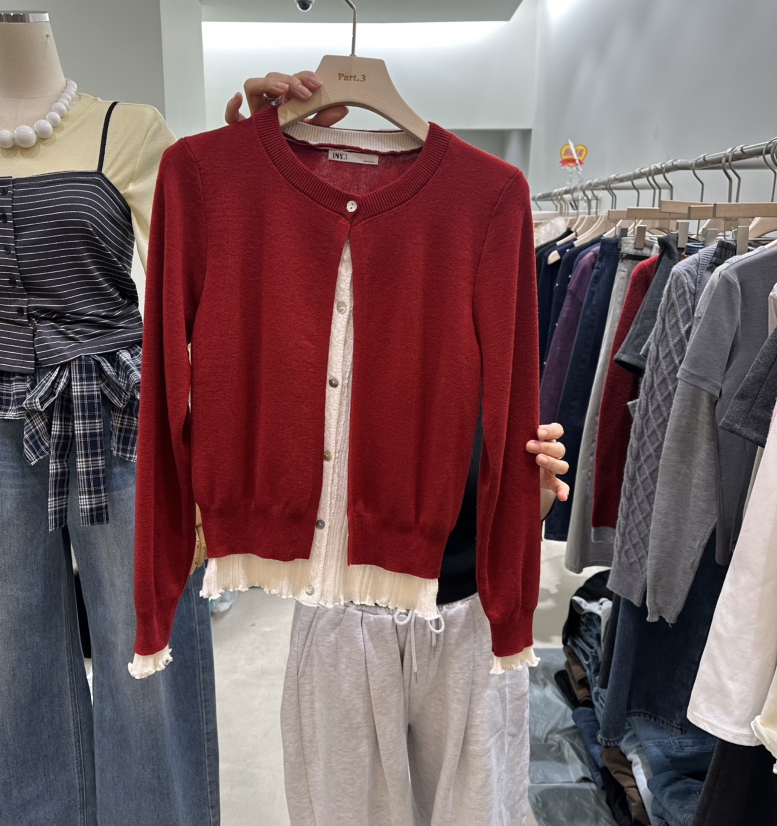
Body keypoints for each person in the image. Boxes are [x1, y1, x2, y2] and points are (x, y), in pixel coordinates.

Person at [218, 72, 570, 826]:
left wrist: (522, 505)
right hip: (340, 601)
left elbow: (502, 401)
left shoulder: (490, 200)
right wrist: (251, 166)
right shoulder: (254, 214)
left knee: (474, 808)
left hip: (465, 599)